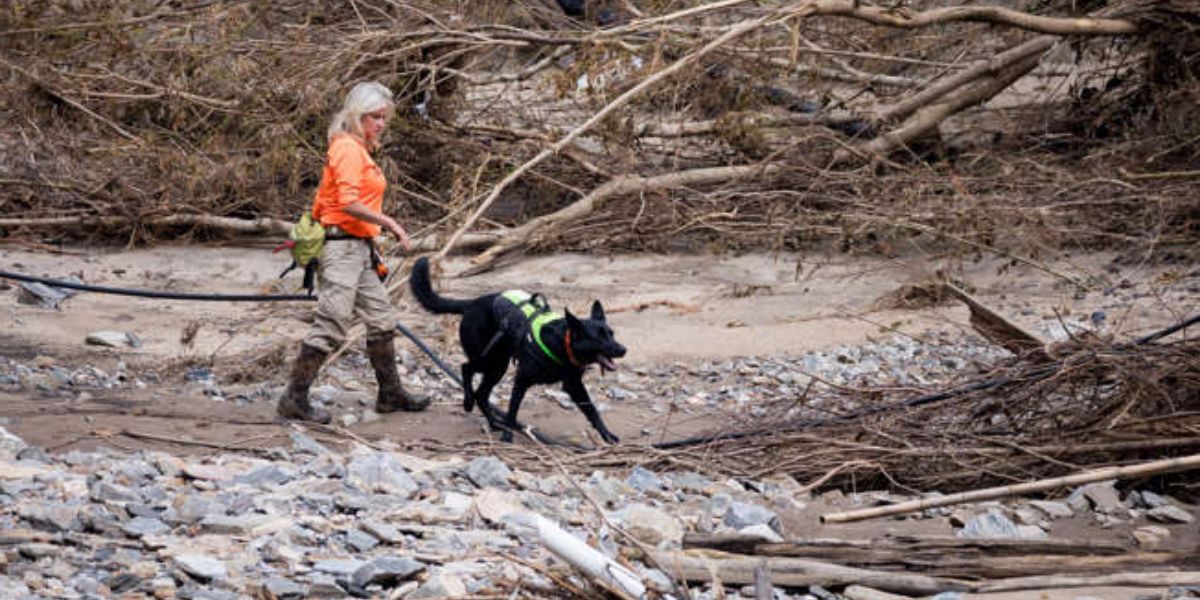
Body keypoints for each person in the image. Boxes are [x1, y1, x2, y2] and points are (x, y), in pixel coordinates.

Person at [277, 81, 430, 424]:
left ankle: (390, 394)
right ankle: (294, 397)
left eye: (384, 119)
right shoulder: (346, 148)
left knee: (381, 318)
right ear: (357, 115)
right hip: (341, 248)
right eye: (375, 117)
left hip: (358, 248)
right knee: (332, 321)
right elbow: (347, 202)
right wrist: (390, 223)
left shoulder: (359, 150)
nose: (380, 124)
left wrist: (373, 236)